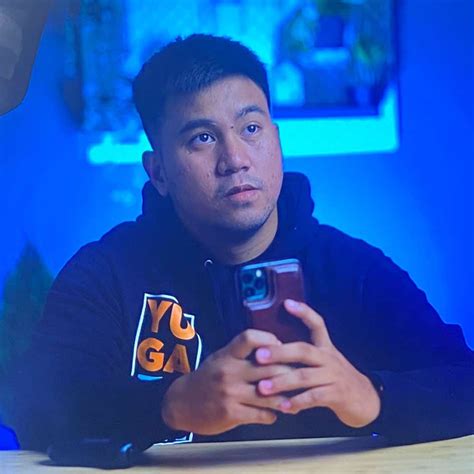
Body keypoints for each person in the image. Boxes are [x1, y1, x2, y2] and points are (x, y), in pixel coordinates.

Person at [4, 34, 473, 452]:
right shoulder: (106, 274)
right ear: (158, 171)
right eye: (202, 138)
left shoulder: (352, 271)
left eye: (251, 128)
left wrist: (373, 397)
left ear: (276, 140)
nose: (235, 159)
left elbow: (463, 382)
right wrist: (170, 405)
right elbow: (36, 411)